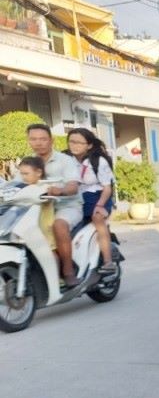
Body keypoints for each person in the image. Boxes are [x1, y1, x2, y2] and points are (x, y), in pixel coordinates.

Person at [24, 123, 83, 287]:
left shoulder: (65, 160)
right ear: (28, 141)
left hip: (67, 206)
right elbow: (16, 183)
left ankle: (68, 272)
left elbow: (73, 186)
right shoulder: (28, 162)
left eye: (43, 139)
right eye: (33, 139)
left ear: (51, 140)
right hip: (39, 209)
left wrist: (61, 190)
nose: (38, 143)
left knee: (59, 225)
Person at [66, 127, 116, 274]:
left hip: (98, 196)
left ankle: (108, 261)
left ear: (89, 145)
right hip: (75, 198)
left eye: (79, 143)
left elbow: (107, 188)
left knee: (98, 219)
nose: (74, 145)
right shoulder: (66, 159)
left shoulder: (98, 161)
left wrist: (100, 205)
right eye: (71, 142)